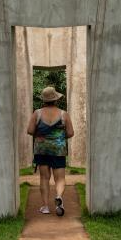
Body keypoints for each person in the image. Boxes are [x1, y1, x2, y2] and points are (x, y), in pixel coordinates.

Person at [27, 86, 75, 216]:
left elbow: (30, 130)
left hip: (42, 150)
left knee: (44, 178)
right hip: (58, 150)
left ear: (43, 100)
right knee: (60, 179)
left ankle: (45, 207)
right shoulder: (63, 114)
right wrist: (59, 137)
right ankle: (59, 196)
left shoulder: (37, 113)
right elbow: (71, 133)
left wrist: (40, 135)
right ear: (56, 99)